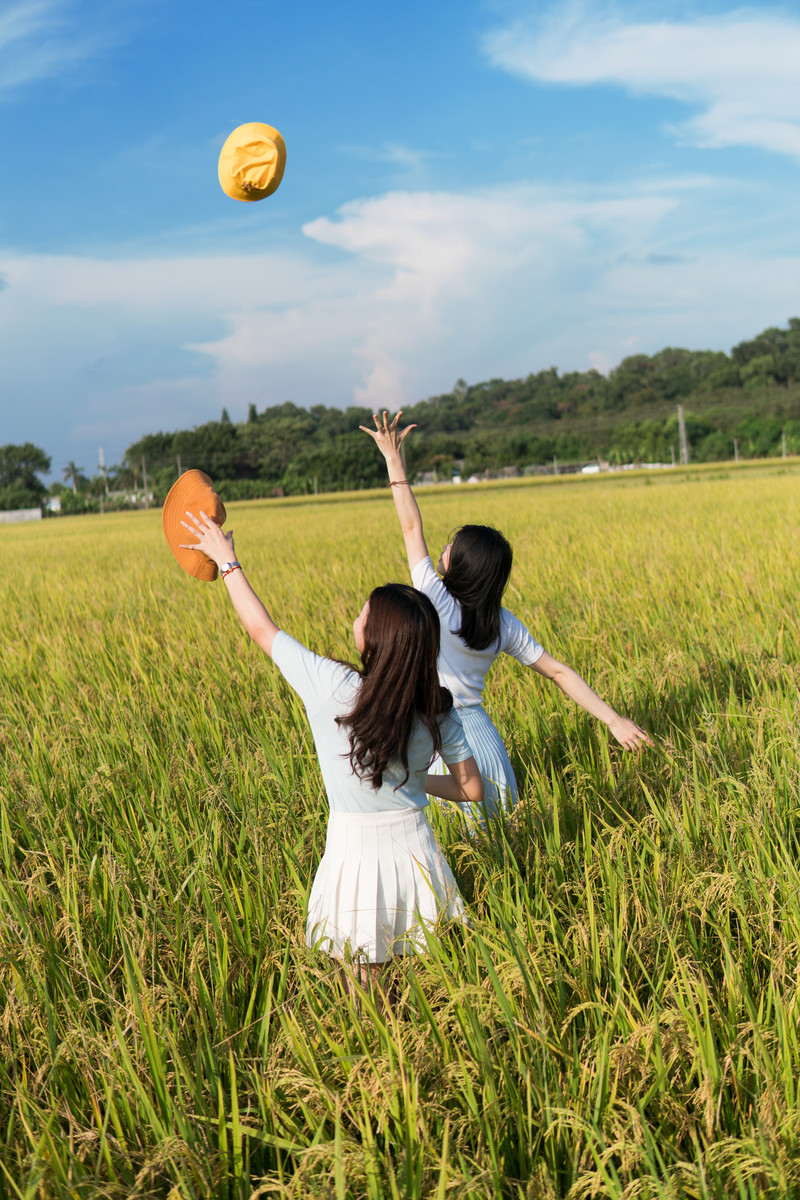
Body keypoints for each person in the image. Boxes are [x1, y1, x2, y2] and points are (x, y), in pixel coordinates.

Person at [180, 508, 483, 995]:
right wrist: (415, 783)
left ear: (377, 638)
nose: (356, 617)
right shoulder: (438, 706)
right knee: (421, 981)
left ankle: (380, 1058)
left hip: (355, 854)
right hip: (416, 851)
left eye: (364, 614)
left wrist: (228, 563)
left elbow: (262, 630)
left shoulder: (335, 688)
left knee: (364, 987)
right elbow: (471, 788)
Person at [361, 411, 653, 820]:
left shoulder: (435, 596)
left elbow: (411, 528)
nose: (443, 549)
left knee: (460, 864)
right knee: (505, 847)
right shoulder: (501, 622)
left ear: (462, 564)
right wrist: (613, 719)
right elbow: (560, 673)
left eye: (451, 546)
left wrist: (393, 459)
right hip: (487, 744)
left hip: (443, 744)